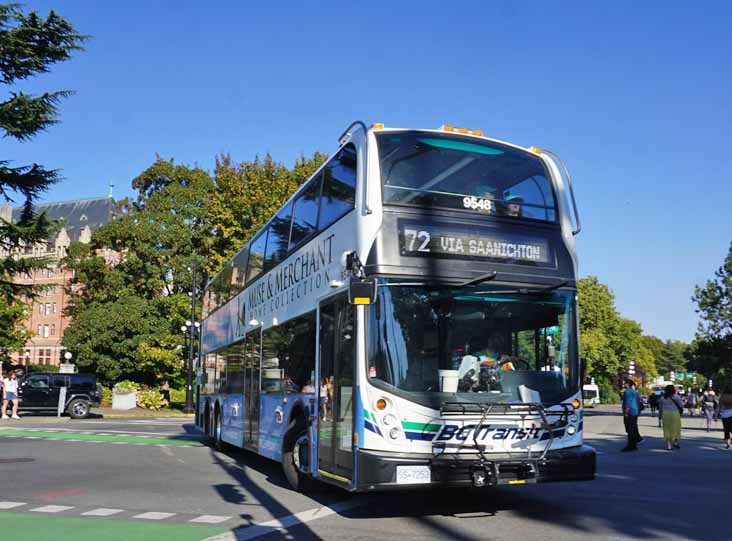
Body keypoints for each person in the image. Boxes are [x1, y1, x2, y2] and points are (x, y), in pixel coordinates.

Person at [659, 384, 684, 450]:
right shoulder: (677, 397)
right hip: (675, 414)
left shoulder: (662, 398)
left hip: (666, 414)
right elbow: (681, 405)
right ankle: (676, 442)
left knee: (667, 429)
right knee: (676, 428)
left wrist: (660, 416)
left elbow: (660, 408)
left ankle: (669, 445)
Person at [621, 379, 641, 452]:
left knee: (629, 429)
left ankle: (630, 445)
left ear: (627, 384)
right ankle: (634, 444)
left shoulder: (628, 391)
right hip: (635, 411)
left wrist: (626, 412)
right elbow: (638, 401)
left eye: (624, 383)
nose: (623, 385)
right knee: (633, 428)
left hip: (630, 412)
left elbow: (627, 403)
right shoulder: (634, 392)